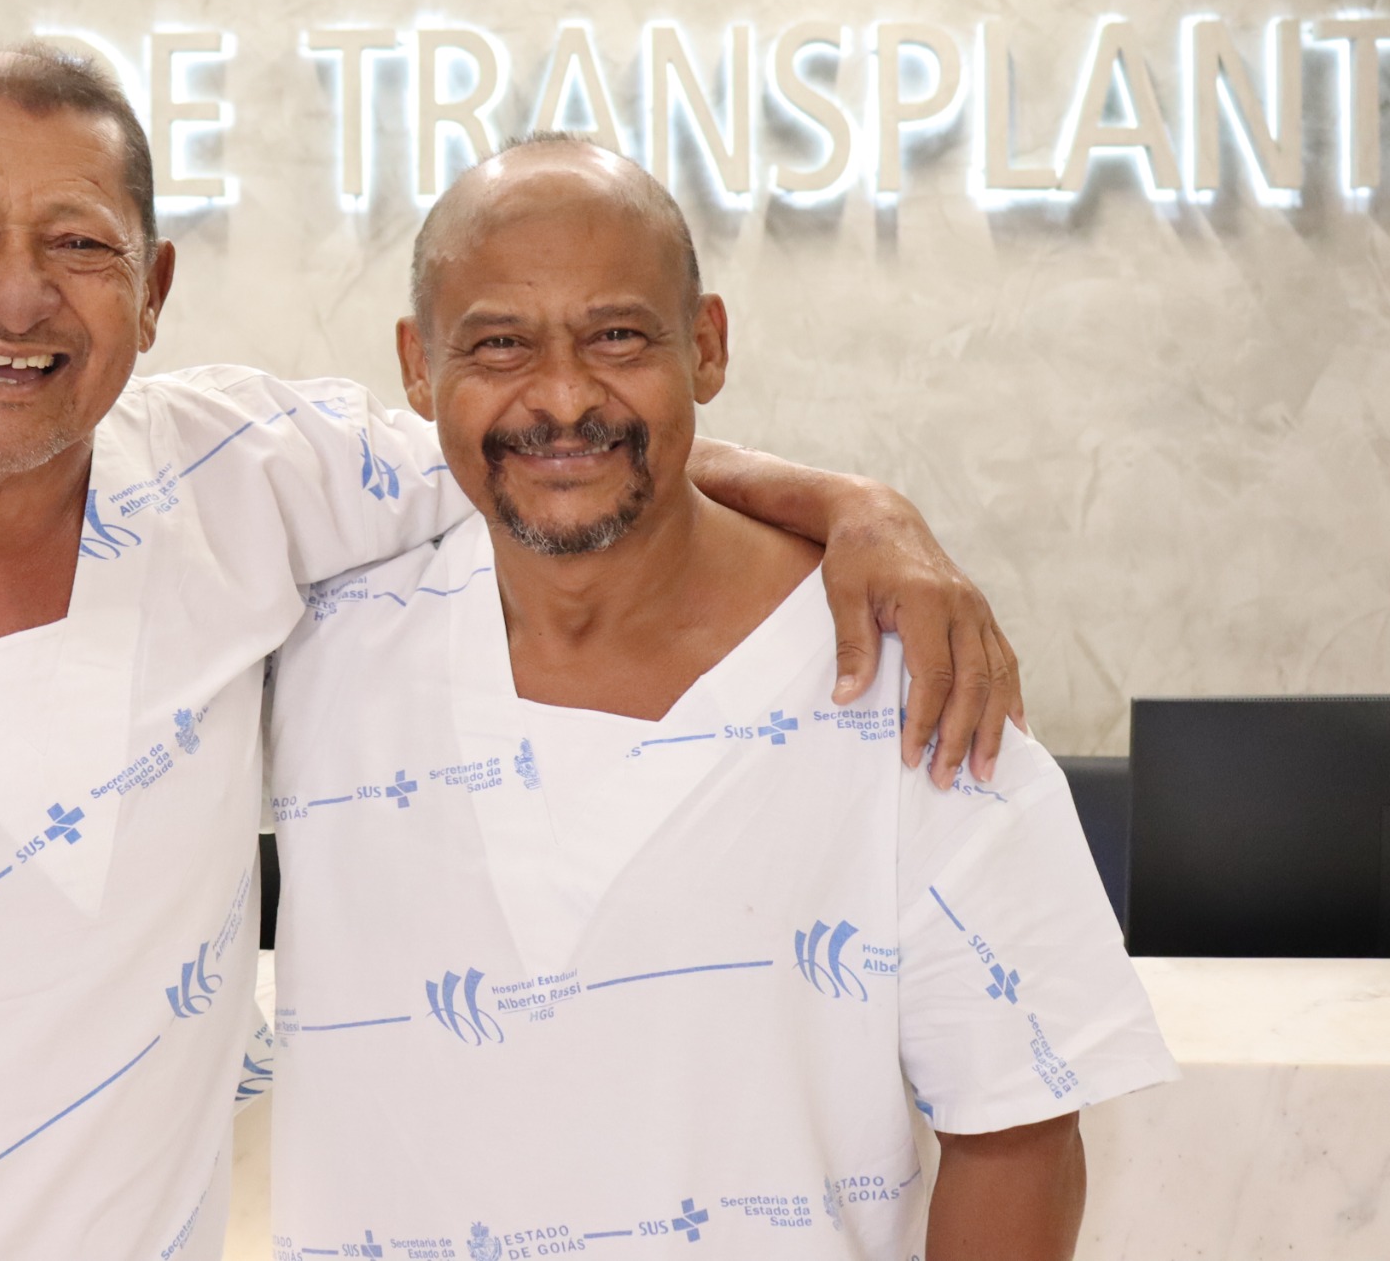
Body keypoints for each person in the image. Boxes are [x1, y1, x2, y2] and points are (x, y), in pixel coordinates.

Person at [0, 46, 1020, 1261]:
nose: (17, 297)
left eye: (81, 244)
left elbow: (545, 441)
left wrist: (854, 504)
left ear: (157, 287)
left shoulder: (246, 479)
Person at [263, 137, 1175, 1261]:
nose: (562, 396)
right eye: (499, 343)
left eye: (617, 336)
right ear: (417, 364)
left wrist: (859, 508)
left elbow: (1017, 1133)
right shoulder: (312, 638)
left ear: (706, 345)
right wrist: (850, 498)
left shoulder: (913, 680)